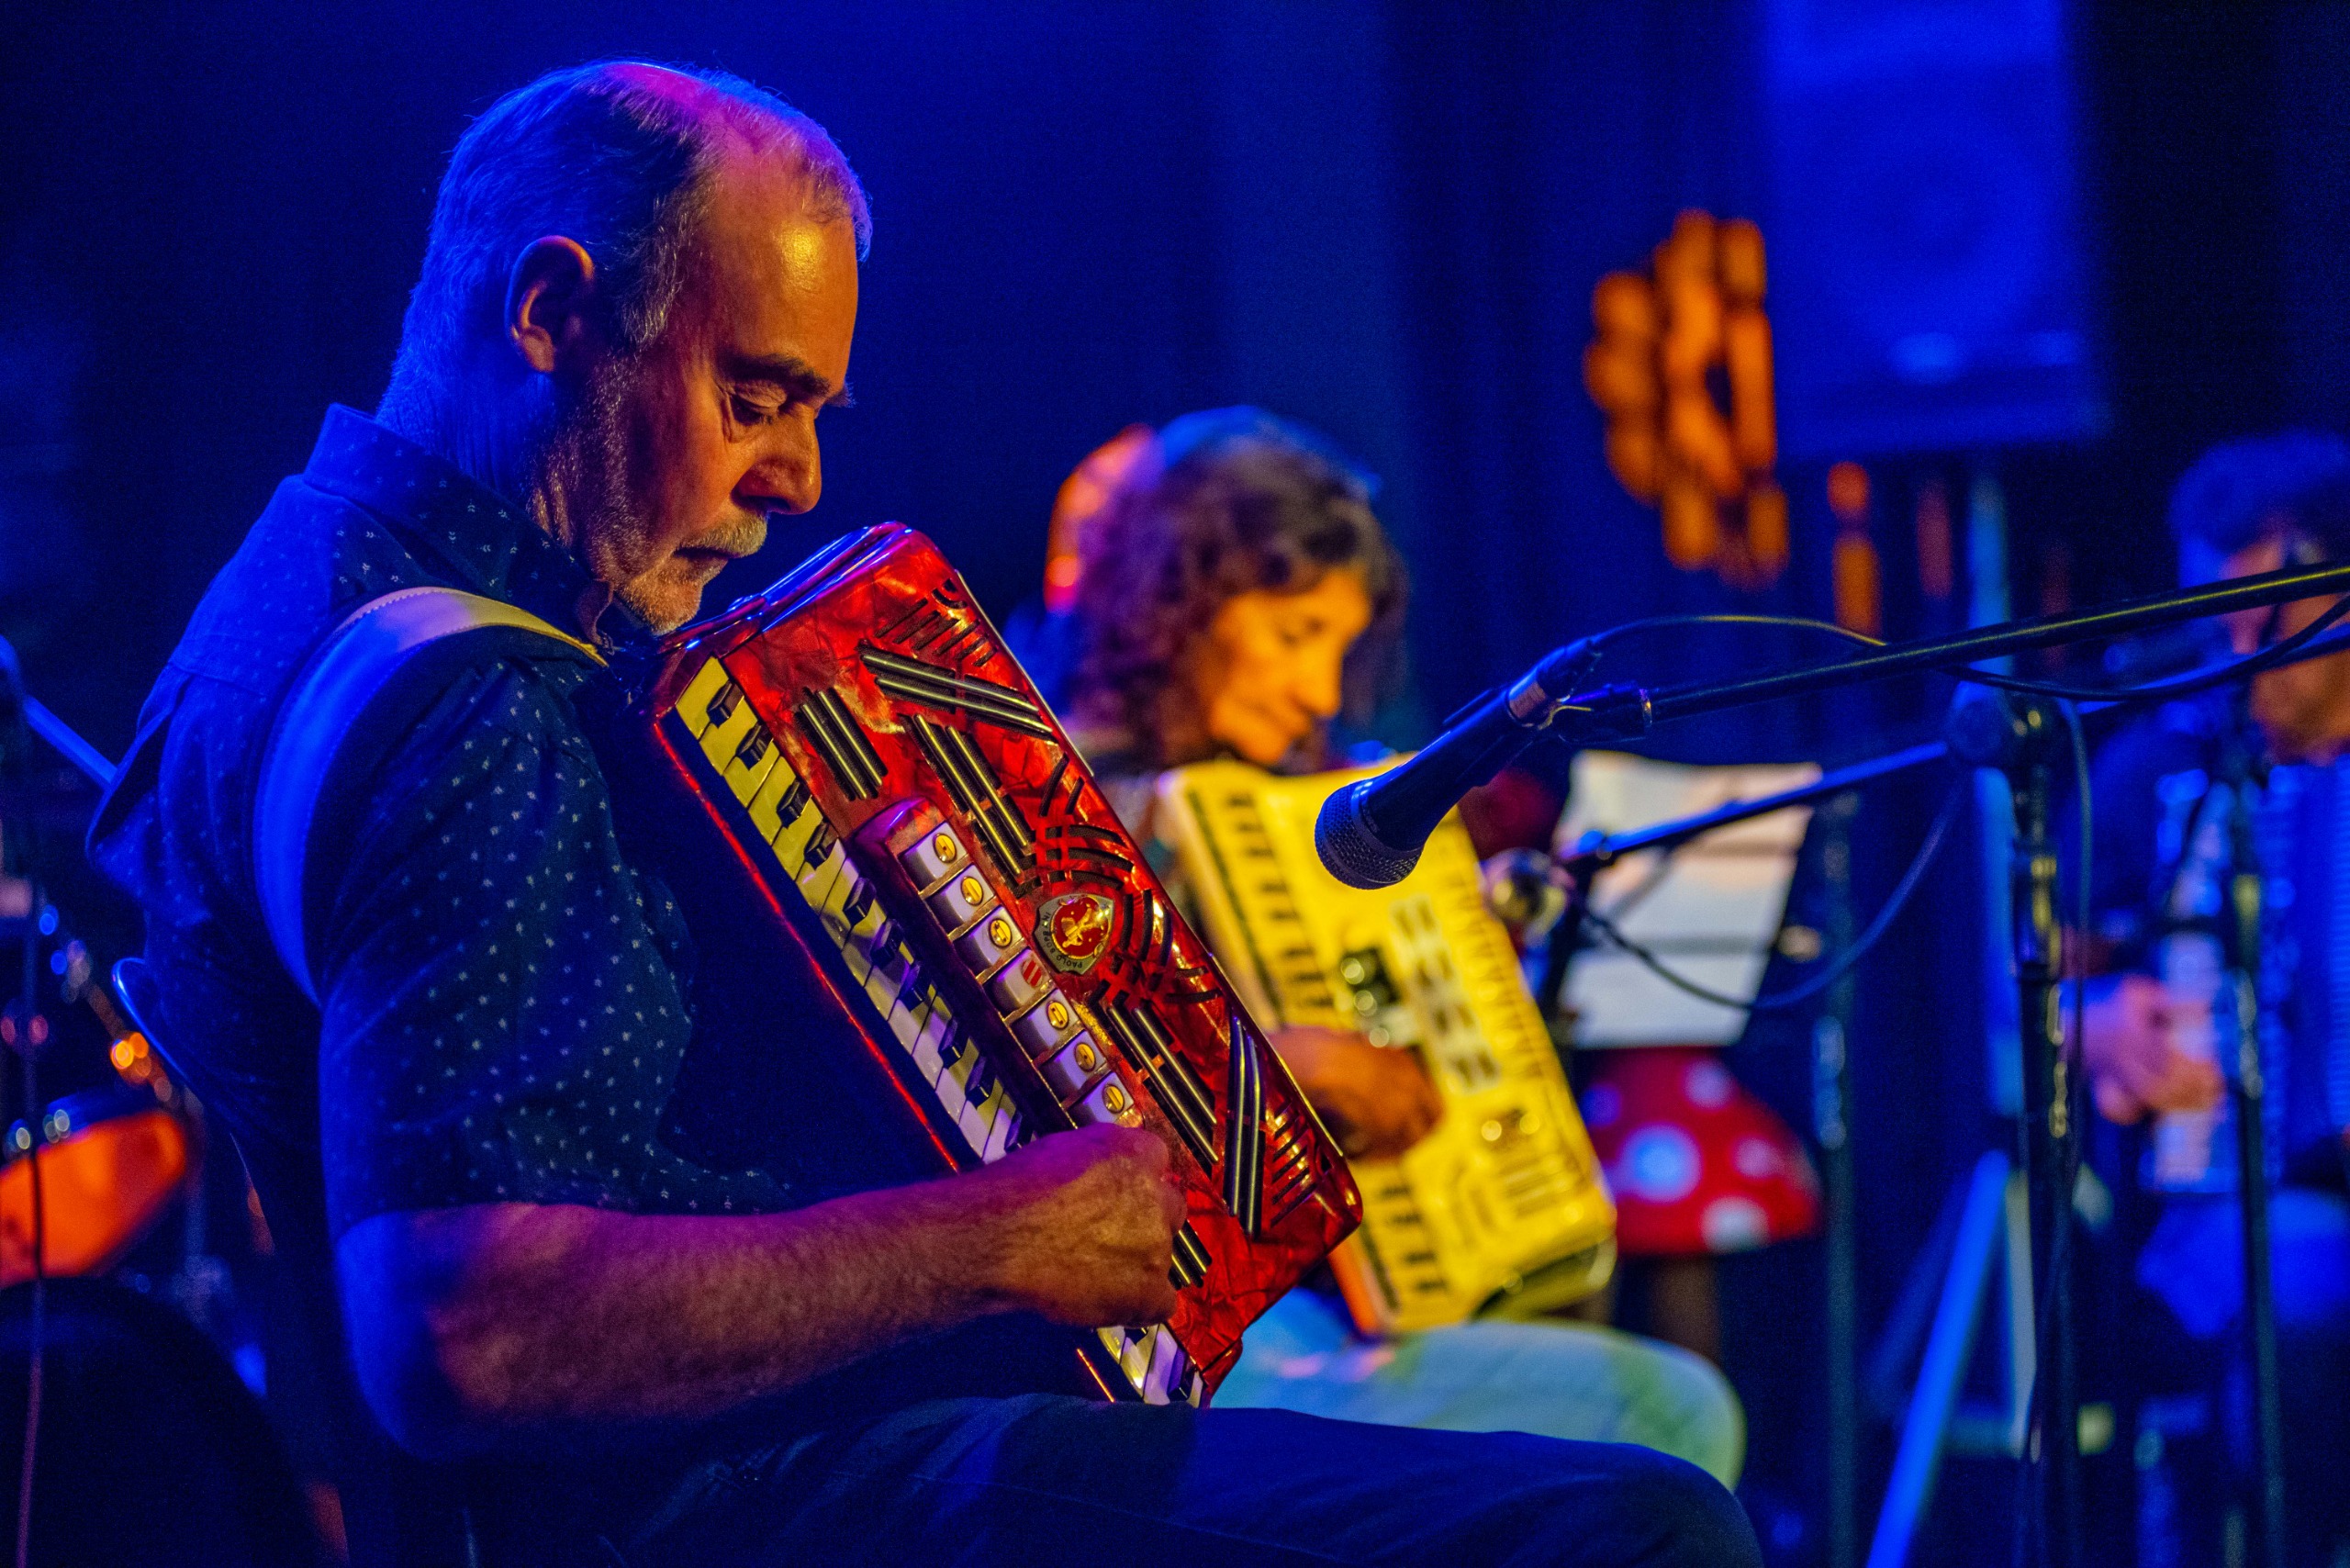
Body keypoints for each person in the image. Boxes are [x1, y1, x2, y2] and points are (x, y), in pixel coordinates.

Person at [87, 62, 1759, 1566]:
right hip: (745, 1496)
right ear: (550, 314)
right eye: (756, 397)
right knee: (1642, 1517)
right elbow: (469, 1329)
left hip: (748, 1451)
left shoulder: (268, 610)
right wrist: (995, 1235)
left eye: (817, 409)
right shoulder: (471, 694)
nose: (801, 478)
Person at [1041, 408, 1746, 1485]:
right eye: (1290, 635)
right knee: (1666, 1417)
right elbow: (1028, 1103)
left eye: (1338, 644)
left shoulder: (1337, 803)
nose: (1321, 690)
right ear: (1177, 609)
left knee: (1657, 1409)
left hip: (1346, 1312)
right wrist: (1281, 1066)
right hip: (1167, 1326)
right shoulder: (1054, 798)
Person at [2079, 432, 2350, 1566]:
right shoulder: (2164, 765)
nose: (2239, 658)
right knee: (2298, 1294)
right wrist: (2082, 1016)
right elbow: (2042, 967)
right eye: (2217, 622)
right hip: (2268, 1191)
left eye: (2272, 621)